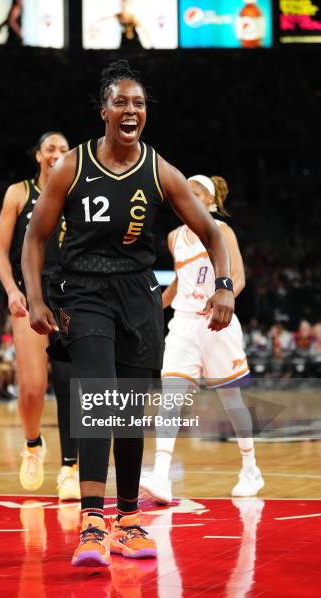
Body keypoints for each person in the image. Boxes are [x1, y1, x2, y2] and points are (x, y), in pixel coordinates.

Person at [22, 60, 234, 567]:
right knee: (100, 396)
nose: (131, 109)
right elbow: (35, 237)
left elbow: (212, 232)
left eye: (139, 103)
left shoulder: (160, 171)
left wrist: (224, 285)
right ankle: (92, 524)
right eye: (121, 101)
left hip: (138, 295)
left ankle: (128, 521)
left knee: (131, 409)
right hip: (84, 290)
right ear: (104, 111)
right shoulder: (71, 166)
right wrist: (35, 297)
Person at [140, 174, 264, 502]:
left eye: (196, 194)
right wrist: (150, 307)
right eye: (186, 194)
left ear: (210, 201)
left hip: (217, 323)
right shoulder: (173, 237)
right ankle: (162, 476)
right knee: (171, 397)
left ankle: (250, 467)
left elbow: (237, 276)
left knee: (231, 400)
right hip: (183, 323)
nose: (189, 199)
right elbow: (179, 283)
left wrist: (223, 296)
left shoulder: (222, 231)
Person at [0, 131, 79, 500]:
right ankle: (33, 444)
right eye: (50, 148)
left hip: (69, 295)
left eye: (63, 149)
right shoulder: (18, 192)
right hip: (29, 292)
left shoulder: (78, 193)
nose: (56, 153)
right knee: (31, 387)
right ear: (38, 156)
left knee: (68, 382)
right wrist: (13, 290)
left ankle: (70, 468)